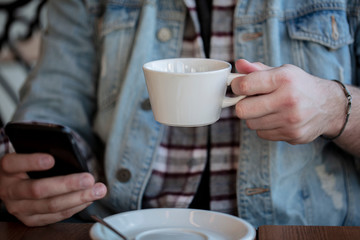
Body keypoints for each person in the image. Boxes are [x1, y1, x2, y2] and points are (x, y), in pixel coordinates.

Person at [1, 0, 360, 228]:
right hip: (121, 228)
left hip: (300, 232)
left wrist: (335, 106)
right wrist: (33, 176)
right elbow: (53, 105)